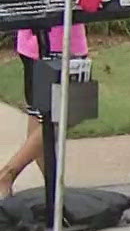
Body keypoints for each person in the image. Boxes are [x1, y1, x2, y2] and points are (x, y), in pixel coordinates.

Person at [0, 24, 88, 197]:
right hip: (55, 40)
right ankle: (8, 174)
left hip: (36, 39)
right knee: (73, 109)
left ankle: (54, 194)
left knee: (40, 114)